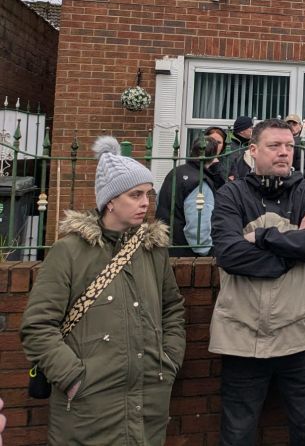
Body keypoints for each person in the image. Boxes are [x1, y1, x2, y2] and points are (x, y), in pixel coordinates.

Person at [21, 136, 186, 445]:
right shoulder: (69, 251)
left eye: (148, 194)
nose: (146, 203)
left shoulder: (152, 250)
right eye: (135, 195)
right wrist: (73, 378)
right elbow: (38, 326)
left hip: (148, 402)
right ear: (110, 201)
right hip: (88, 409)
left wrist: (169, 360)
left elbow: (172, 308)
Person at [210, 119, 305, 446]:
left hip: (300, 335)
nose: (284, 153)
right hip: (241, 335)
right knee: (237, 435)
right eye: (274, 146)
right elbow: (229, 254)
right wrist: (293, 244)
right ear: (253, 150)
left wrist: (261, 237)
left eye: (289, 146)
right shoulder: (231, 194)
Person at [156, 135, 216, 256]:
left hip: (164, 246)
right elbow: (198, 228)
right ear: (214, 157)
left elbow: (158, 201)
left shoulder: (175, 172)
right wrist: (206, 251)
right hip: (186, 256)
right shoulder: (200, 182)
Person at [226, 114, 255, 180]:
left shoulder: (251, 145)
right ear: (242, 130)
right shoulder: (227, 143)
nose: (252, 130)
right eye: (250, 127)